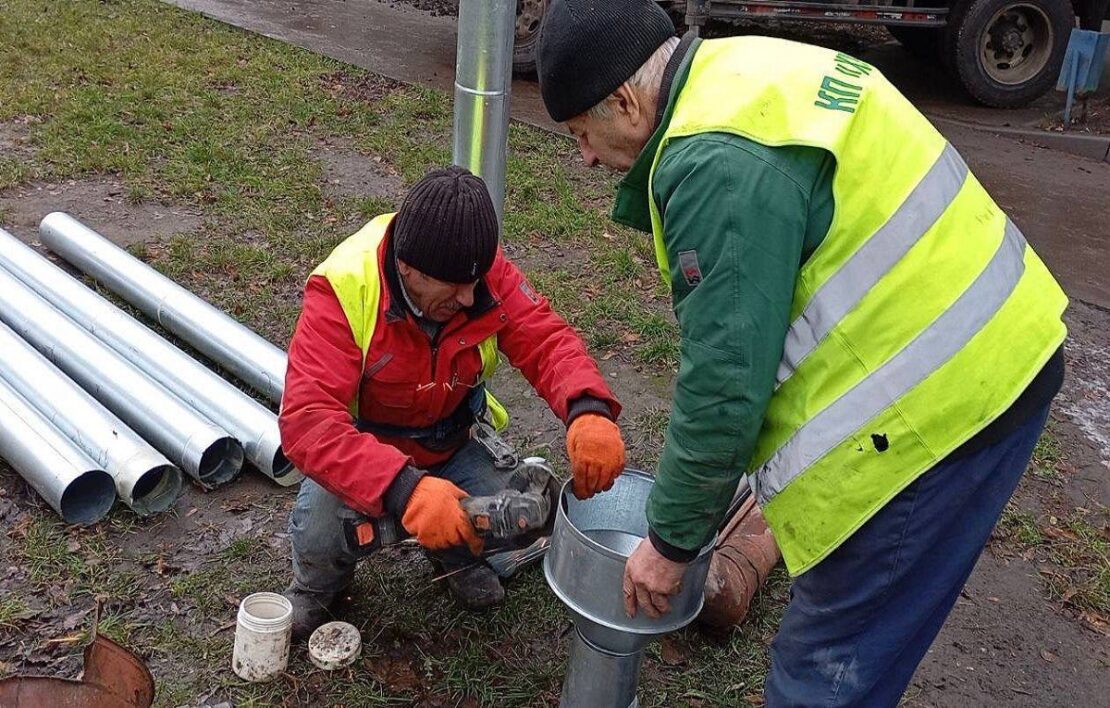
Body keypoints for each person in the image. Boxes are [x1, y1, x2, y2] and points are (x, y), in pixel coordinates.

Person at [536, 2, 1068, 704]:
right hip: (987, 334)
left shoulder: (712, 161)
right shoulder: (740, 73)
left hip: (943, 403)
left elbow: (724, 387)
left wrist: (669, 545)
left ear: (625, 99)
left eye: (581, 133)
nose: (586, 158)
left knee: (824, 671)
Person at [278, 166, 626, 639]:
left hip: (454, 443)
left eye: (475, 283)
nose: (469, 298)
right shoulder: (344, 288)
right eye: (452, 287)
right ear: (407, 267)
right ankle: (316, 590)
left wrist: (589, 410)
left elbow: (544, 340)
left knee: (524, 514)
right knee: (321, 535)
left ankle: (455, 554)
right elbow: (309, 423)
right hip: (369, 454)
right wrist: (405, 490)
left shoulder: (474, 269)